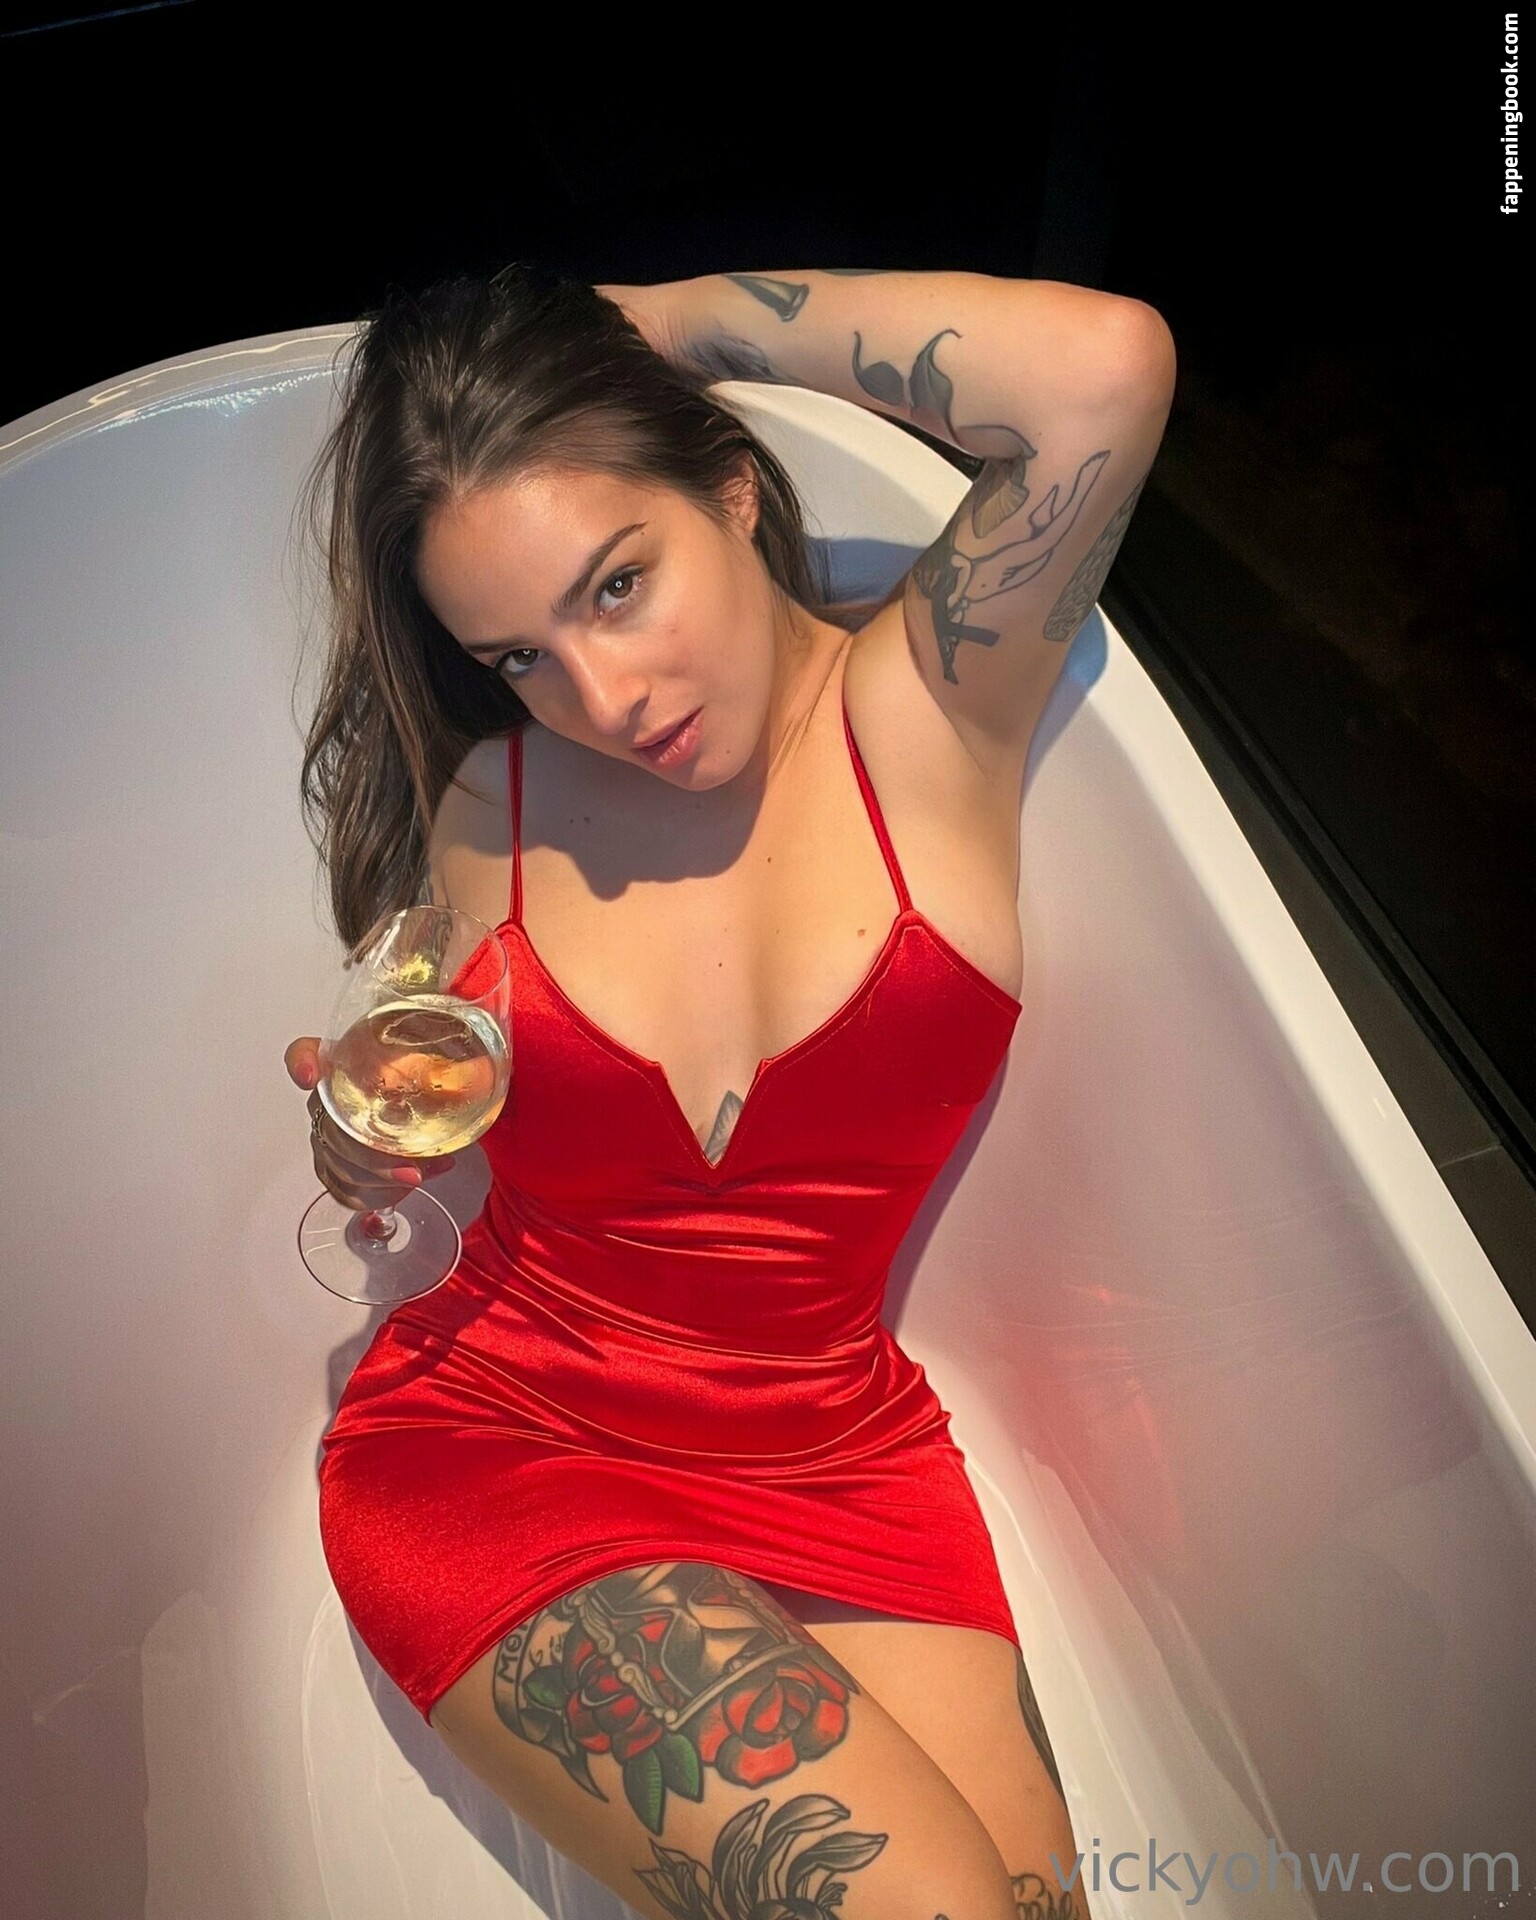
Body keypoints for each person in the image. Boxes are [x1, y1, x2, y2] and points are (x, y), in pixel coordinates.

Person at [284, 261, 1174, 1919]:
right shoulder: (496, 803)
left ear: (731, 489)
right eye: (523, 655)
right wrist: (360, 1142)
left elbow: (1104, 369)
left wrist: (664, 317)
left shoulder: (930, 714)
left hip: (841, 1461)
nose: (603, 698)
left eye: (619, 585)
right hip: (508, 1439)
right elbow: (428, 1064)